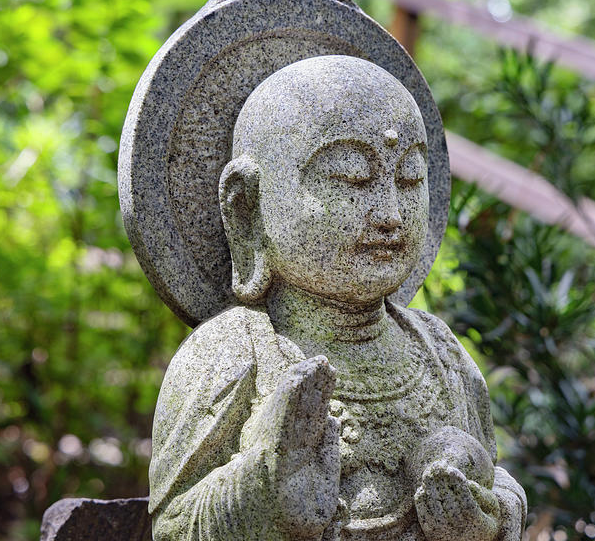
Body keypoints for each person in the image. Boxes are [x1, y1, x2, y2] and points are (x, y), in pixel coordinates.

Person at [148, 55, 527, 541]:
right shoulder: (230, 354)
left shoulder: (440, 353)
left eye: (410, 177)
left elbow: (499, 482)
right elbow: (173, 527)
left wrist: (486, 518)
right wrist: (260, 491)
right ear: (246, 207)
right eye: (350, 177)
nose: (390, 212)